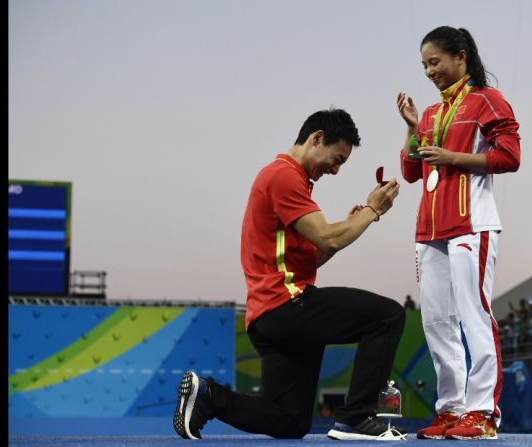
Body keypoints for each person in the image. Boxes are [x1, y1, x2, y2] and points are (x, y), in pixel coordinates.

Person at [172, 108, 406, 441]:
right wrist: (372, 211)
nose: (336, 170)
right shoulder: (284, 176)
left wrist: (351, 225)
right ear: (317, 138)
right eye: (336, 158)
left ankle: (208, 396)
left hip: (270, 317)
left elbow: (317, 253)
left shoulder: (287, 180)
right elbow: (327, 235)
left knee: (290, 421)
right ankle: (356, 417)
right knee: (388, 316)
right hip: (288, 305)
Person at [396, 26, 521, 440]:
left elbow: (510, 156)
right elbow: (412, 172)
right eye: (425, 65)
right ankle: (451, 409)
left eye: (435, 62)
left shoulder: (488, 99)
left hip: (472, 223)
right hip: (429, 227)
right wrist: (413, 128)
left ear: (461, 57)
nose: (430, 71)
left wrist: (454, 157)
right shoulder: (431, 113)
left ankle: (483, 413)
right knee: (436, 321)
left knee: (474, 315)